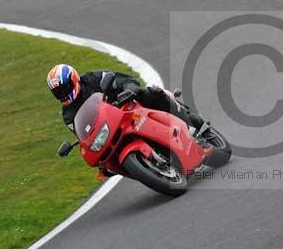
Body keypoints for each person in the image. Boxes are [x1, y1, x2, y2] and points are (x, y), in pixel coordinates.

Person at [47, 64, 205, 179]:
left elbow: (120, 79)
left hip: (126, 106)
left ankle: (190, 125)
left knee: (152, 94)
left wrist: (128, 90)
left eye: (65, 88)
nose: (63, 93)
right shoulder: (68, 115)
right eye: (58, 92)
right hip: (109, 128)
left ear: (74, 79)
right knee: (108, 166)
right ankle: (154, 169)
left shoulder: (92, 79)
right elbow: (84, 134)